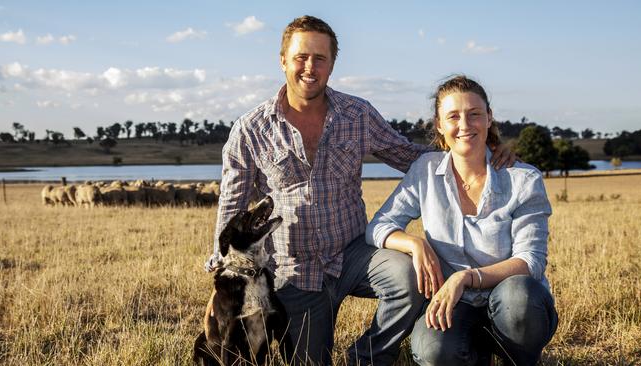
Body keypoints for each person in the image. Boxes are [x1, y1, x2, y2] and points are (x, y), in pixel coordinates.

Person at [204, 16, 515, 365]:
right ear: (283, 60)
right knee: (308, 362)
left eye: (320, 58)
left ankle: (366, 357)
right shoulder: (250, 130)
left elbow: (410, 156)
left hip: (354, 253)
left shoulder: (357, 114)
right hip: (294, 272)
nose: (310, 67)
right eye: (301, 57)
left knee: (411, 275)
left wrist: (480, 149)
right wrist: (222, 280)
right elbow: (231, 208)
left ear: (332, 64)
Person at [366, 75, 558, 365]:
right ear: (440, 125)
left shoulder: (524, 179)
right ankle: (475, 352)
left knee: (519, 296)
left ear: (489, 118)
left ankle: (517, 357)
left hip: (511, 305)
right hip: (455, 305)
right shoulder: (425, 170)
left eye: (474, 114)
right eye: (453, 116)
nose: (465, 125)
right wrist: (414, 244)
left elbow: (530, 261)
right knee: (433, 351)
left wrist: (465, 277)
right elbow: (378, 226)